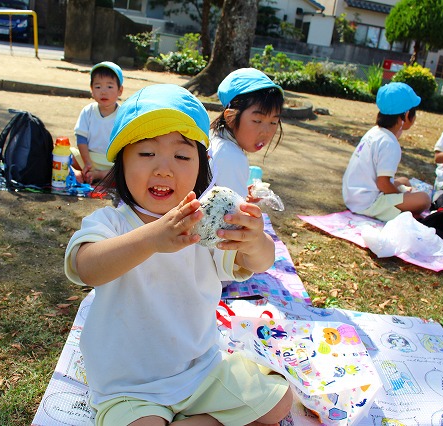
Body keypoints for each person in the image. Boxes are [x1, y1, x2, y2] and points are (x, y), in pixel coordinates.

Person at [64, 84, 292, 426]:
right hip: (130, 384)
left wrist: (255, 240)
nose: (164, 169)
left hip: (200, 370)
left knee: (280, 401)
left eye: (182, 157)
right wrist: (152, 239)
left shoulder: (207, 222)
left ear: (202, 168)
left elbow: (257, 262)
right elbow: (86, 268)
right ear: (121, 163)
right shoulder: (111, 223)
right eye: (146, 153)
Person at [341, 82, 431, 222]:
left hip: (353, 195)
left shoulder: (375, 132)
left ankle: (398, 199)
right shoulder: (389, 143)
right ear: (407, 115)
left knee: (404, 181)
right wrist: (399, 195)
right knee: (424, 199)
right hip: (368, 203)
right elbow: (382, 184)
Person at [209, 68, 284, 201]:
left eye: (273, 122)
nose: (266, 131)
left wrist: (244, 198)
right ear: (230, 117)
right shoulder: (231, 155)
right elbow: (233, 213)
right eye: (257, 121)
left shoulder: (213, 136)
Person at [71, 61, 124, 184]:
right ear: (91, 89)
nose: (103, 92)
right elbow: (81, 139)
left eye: (109, 87)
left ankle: (99, 175)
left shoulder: (123, 114)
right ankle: (77, 173)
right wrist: (87, 163)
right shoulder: (88, 111)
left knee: (128, 170)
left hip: (111, 163)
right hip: (87, 158)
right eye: (98, 87)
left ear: (120, 90)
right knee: (61, 154)